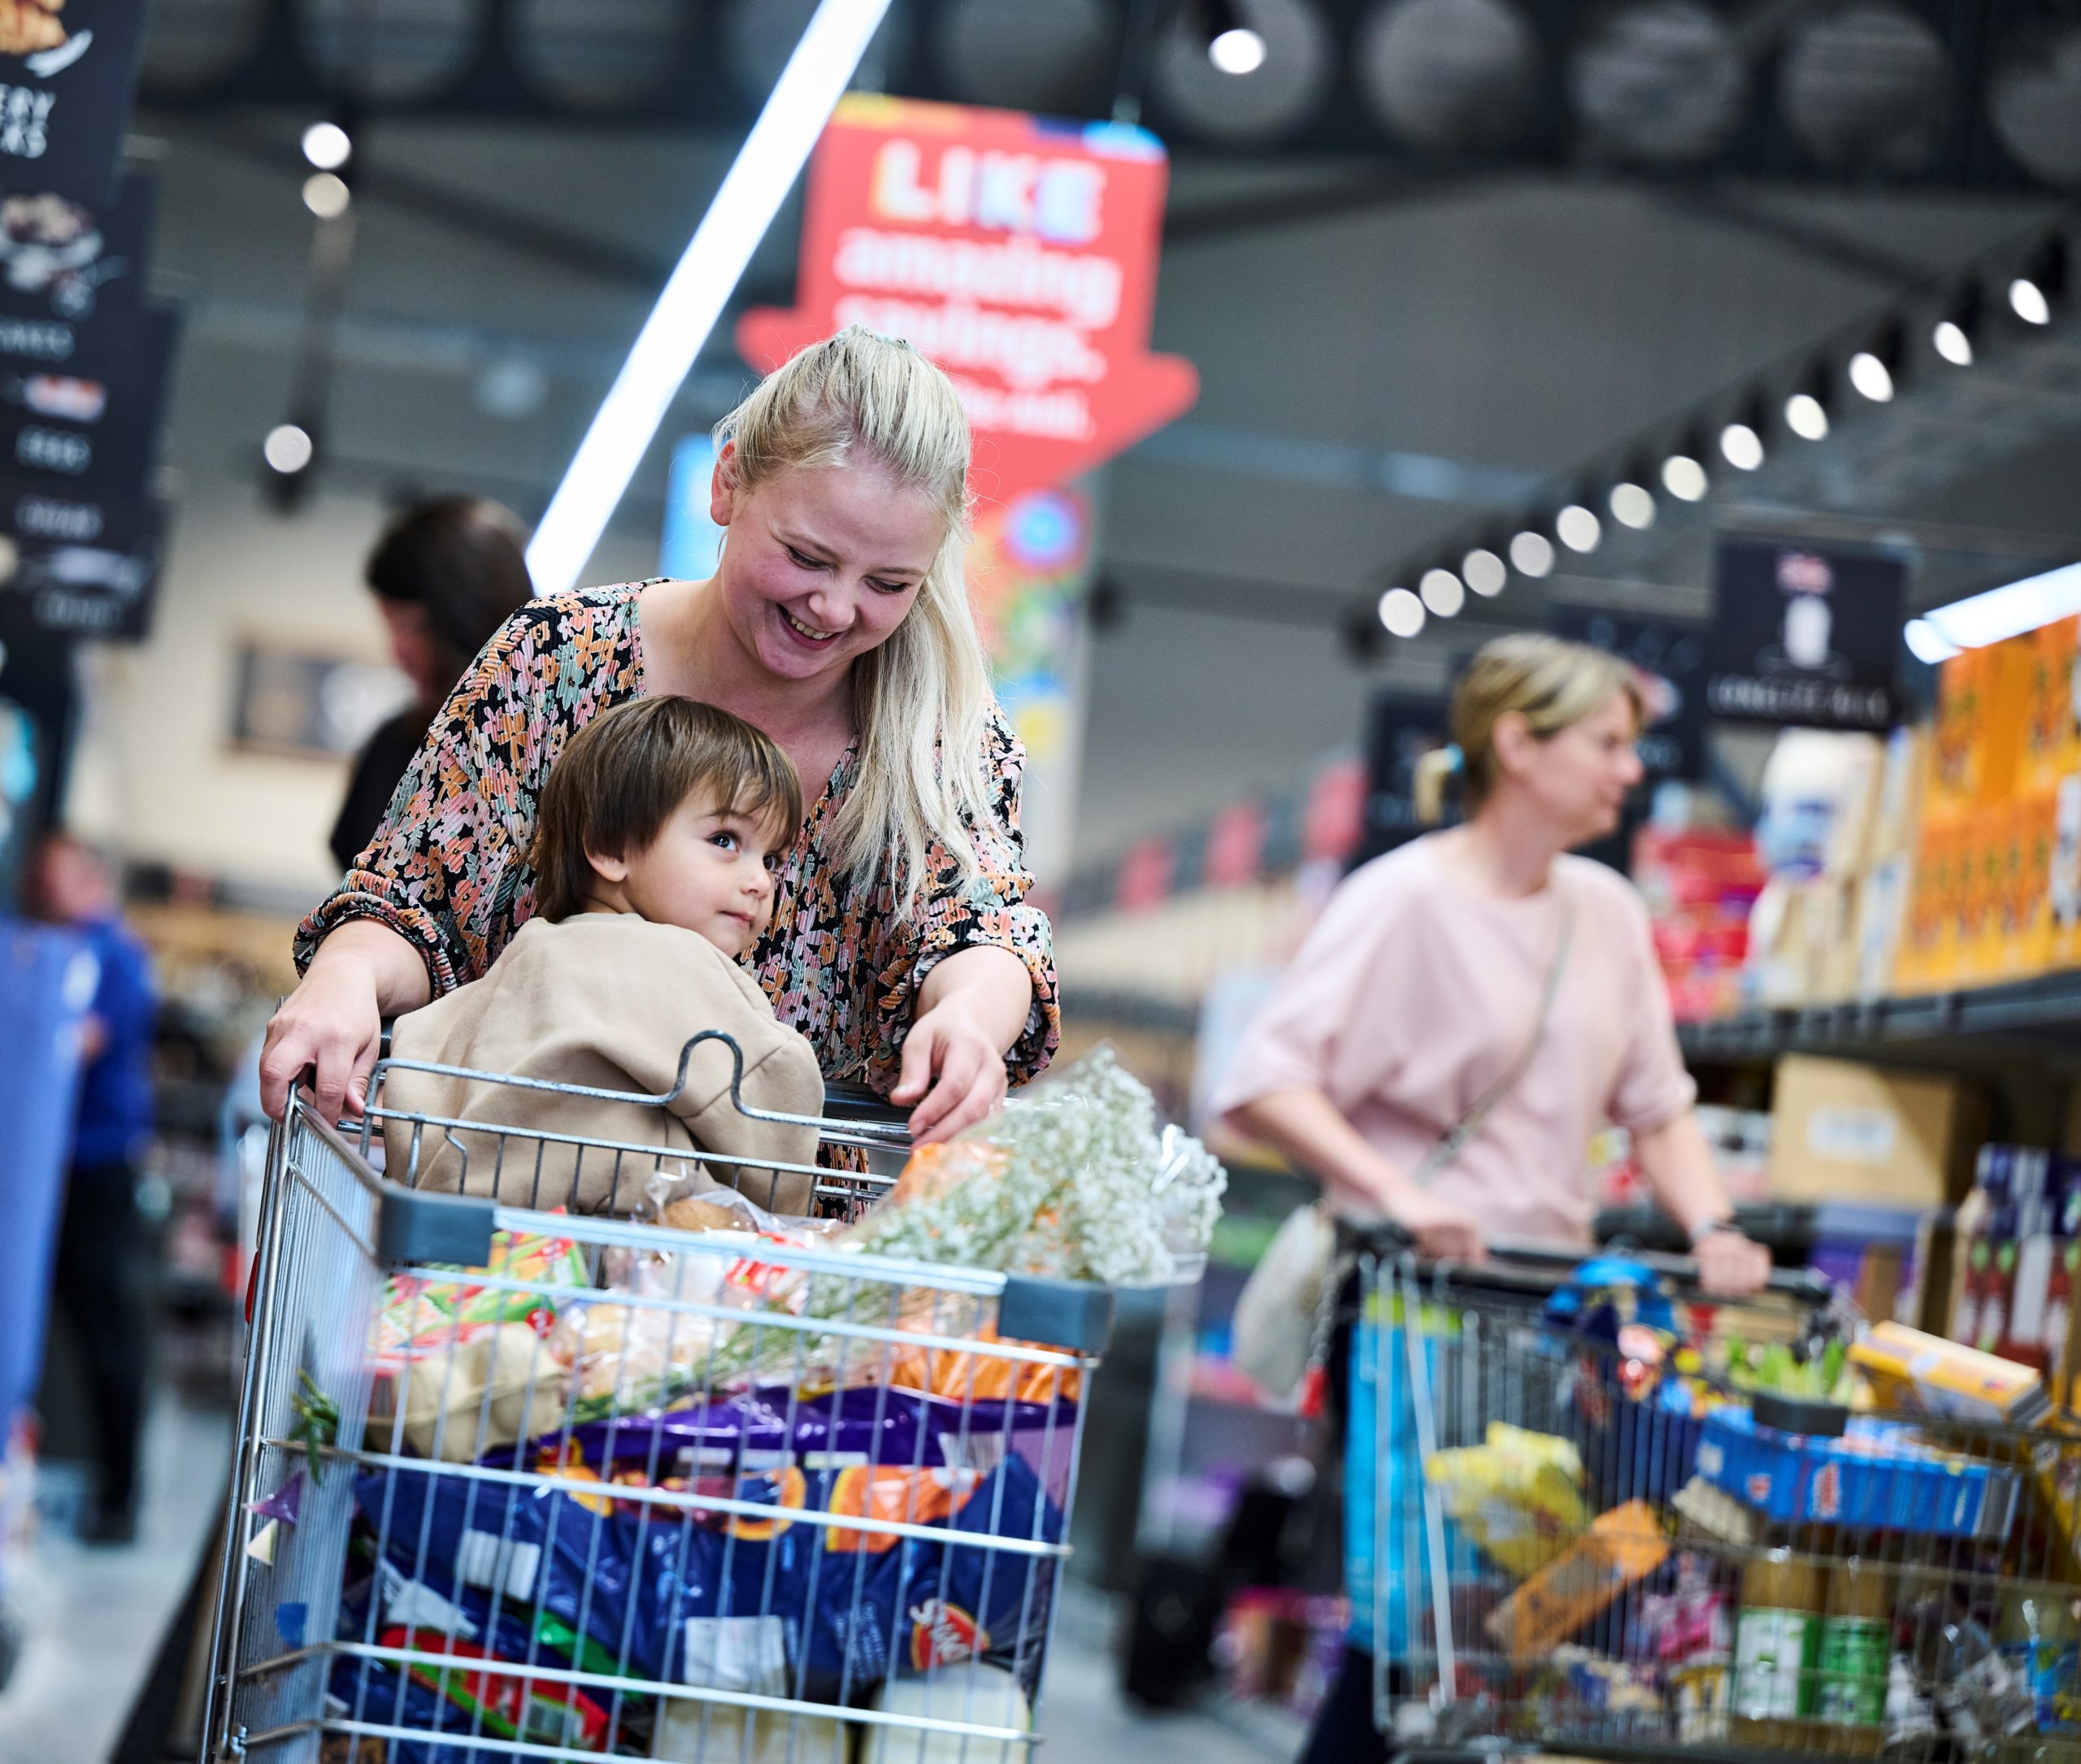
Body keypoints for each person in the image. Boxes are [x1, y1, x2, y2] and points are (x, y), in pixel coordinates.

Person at [266, 326, 1056, 1145]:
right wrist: (346, 975)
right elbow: (416, 897)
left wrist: (968, 1018)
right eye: (807, 556)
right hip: (520, 1212)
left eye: (889, 583)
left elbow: (981, 927)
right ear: (727, 485)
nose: (835, 608)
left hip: (779, 1252)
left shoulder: (943, 739)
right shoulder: (554, 661)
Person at [1214, 633, 1771, 1763]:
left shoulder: (1606, 911)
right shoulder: (1404, 898)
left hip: (1551, 1314)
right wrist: (1392, 1195)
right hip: (1419, 1306)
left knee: (1527, 1630)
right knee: (1414, 1629)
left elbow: (1657, 1104)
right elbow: (1264, 1078)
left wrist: (1714, 1225)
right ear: (1519, 744)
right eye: (1608, 744)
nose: (1631, 771)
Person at [380, 695, 827, 1214]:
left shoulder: (529, 954)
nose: (759, 883)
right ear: (611, 849)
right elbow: (773, 1099)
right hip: (626, 1261)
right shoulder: (677, 963)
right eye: (725, 840)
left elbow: (420, 1066)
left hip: (473, 1250)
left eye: (771, 859)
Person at [29, 831, 158, 1545]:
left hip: (96, 1169)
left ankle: (119, 1497)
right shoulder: (86, 949)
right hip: (71, 1166)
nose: (45, 895)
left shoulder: (110, 955)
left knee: (103, 1331)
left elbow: (73, 1044)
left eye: (55, 881)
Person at [329, 495, 534, 873]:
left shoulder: (564, 758)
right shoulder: (392, 745)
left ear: (467, 617)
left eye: (409, 625)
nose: (397, 652)